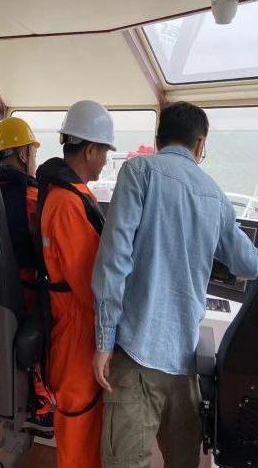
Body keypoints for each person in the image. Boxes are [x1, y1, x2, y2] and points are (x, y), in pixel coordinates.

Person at [92, 101, 258, 468]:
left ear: (159, 137)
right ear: (200, 144)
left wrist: (103, 342)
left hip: (134, 354)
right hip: (185, 364)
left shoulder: (139, 171)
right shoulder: (215, 196)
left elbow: (113, 262)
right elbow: (249, 263)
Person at [37, 100, 116, 468]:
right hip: (77, 339)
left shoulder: (65, 195)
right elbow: (90, 288)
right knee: (79, 439)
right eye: (105, 152)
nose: (104, 161)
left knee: (83, 438)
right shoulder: (68, 205)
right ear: (89, 149)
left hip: (72, 334)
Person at [0, 116, 53, 433]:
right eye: (33, 152)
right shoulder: (34, 199)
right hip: (23, 298)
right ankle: (42, 404)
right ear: (24, 154)